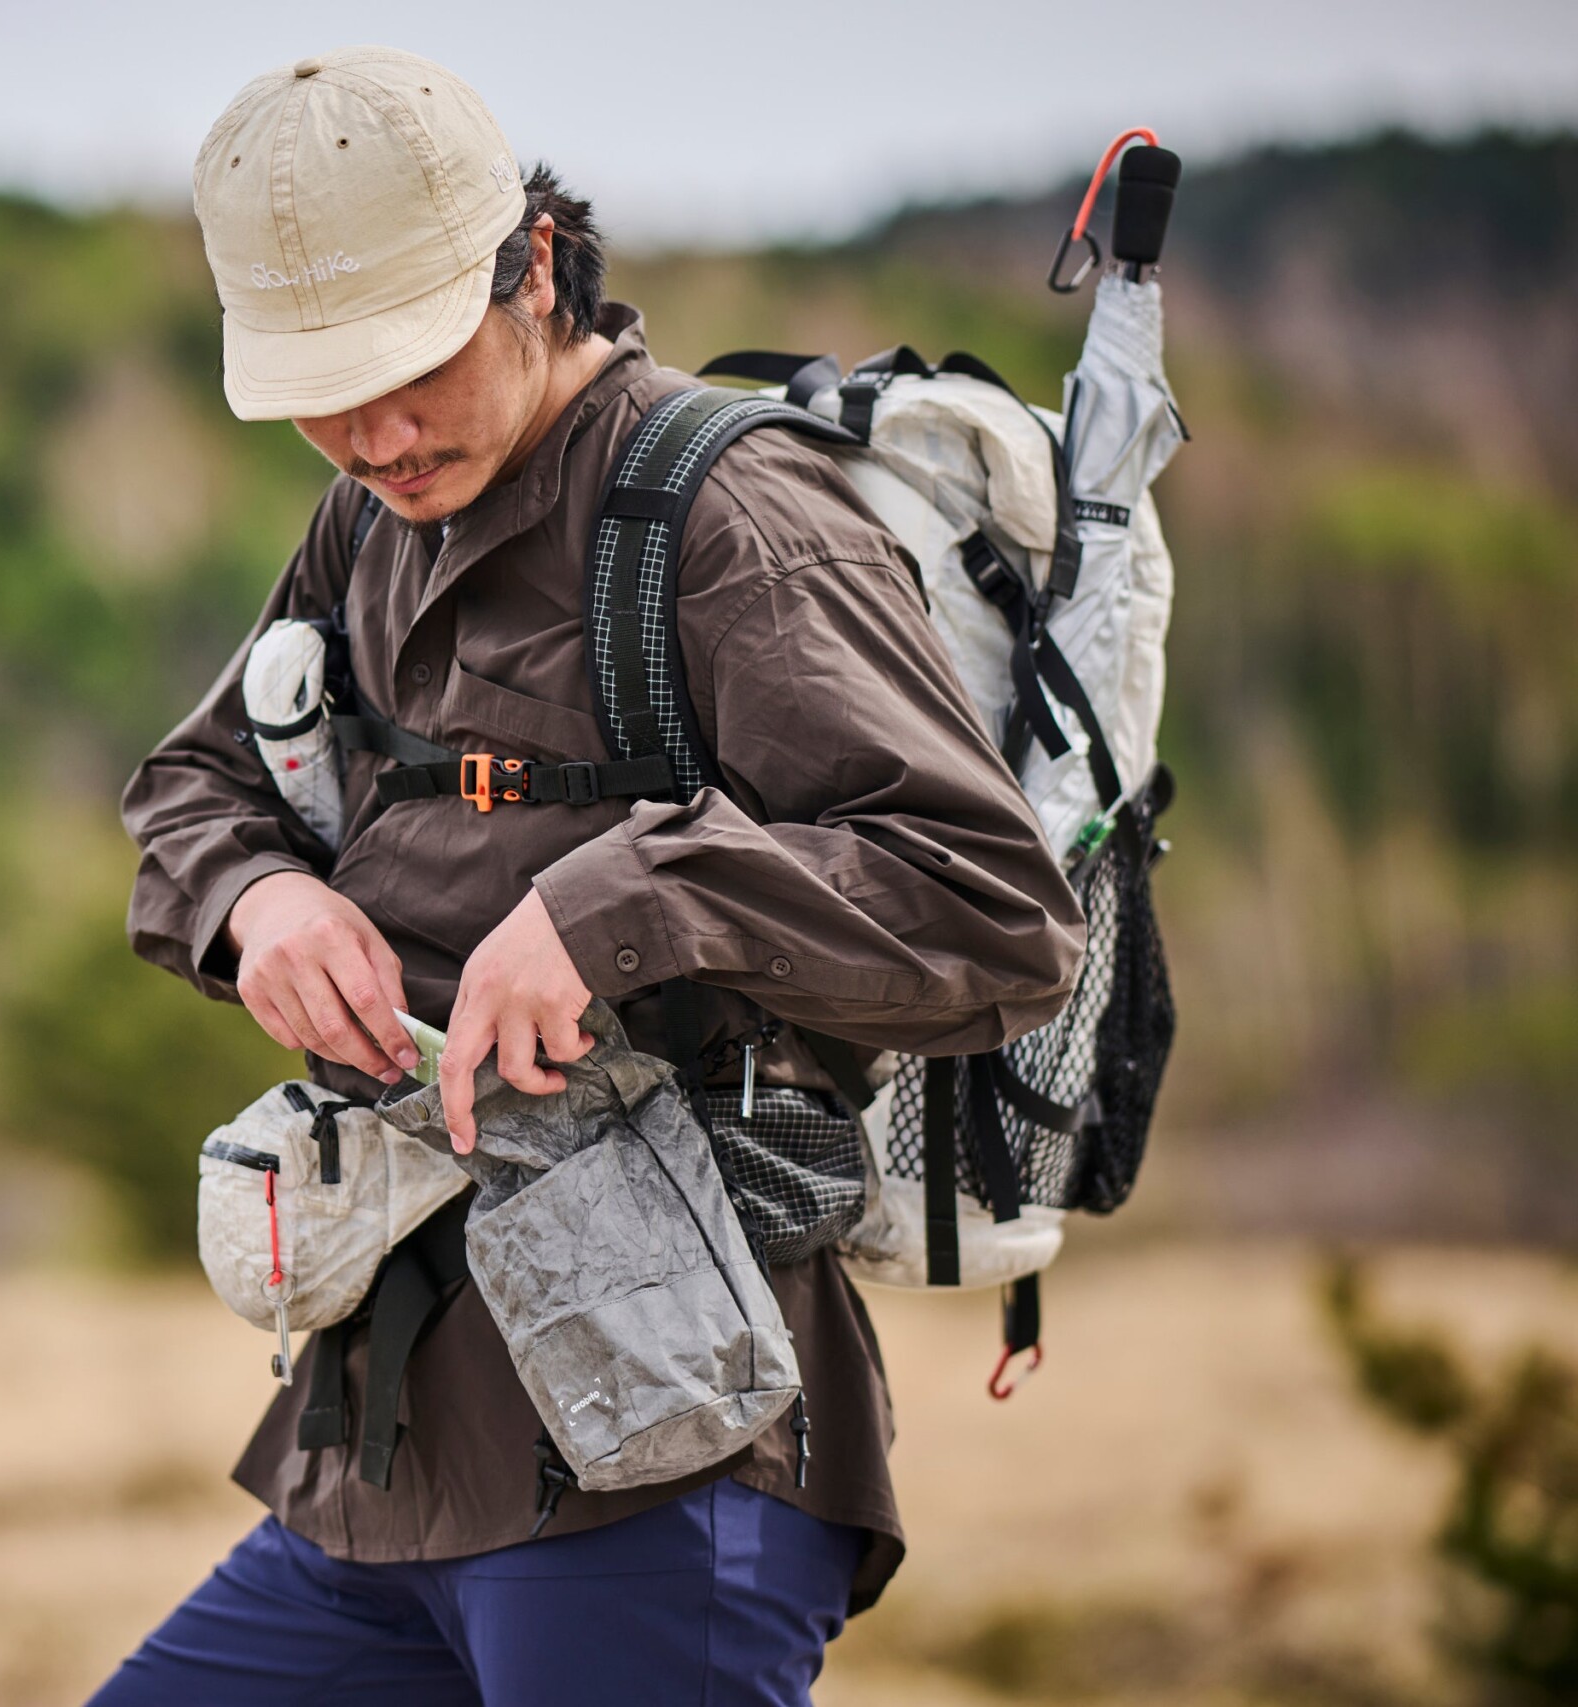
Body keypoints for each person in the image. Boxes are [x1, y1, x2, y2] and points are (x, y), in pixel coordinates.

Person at [99, 46, 1083, 1707]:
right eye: (319, 393)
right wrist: (256, 899)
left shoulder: (735, 518)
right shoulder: (368, 517)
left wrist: (612, 907)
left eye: (409, 367)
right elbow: (193, 786)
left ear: (534, 268)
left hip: (664, 1461)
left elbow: (993, 904)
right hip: (381, 1455)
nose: (372, 432)